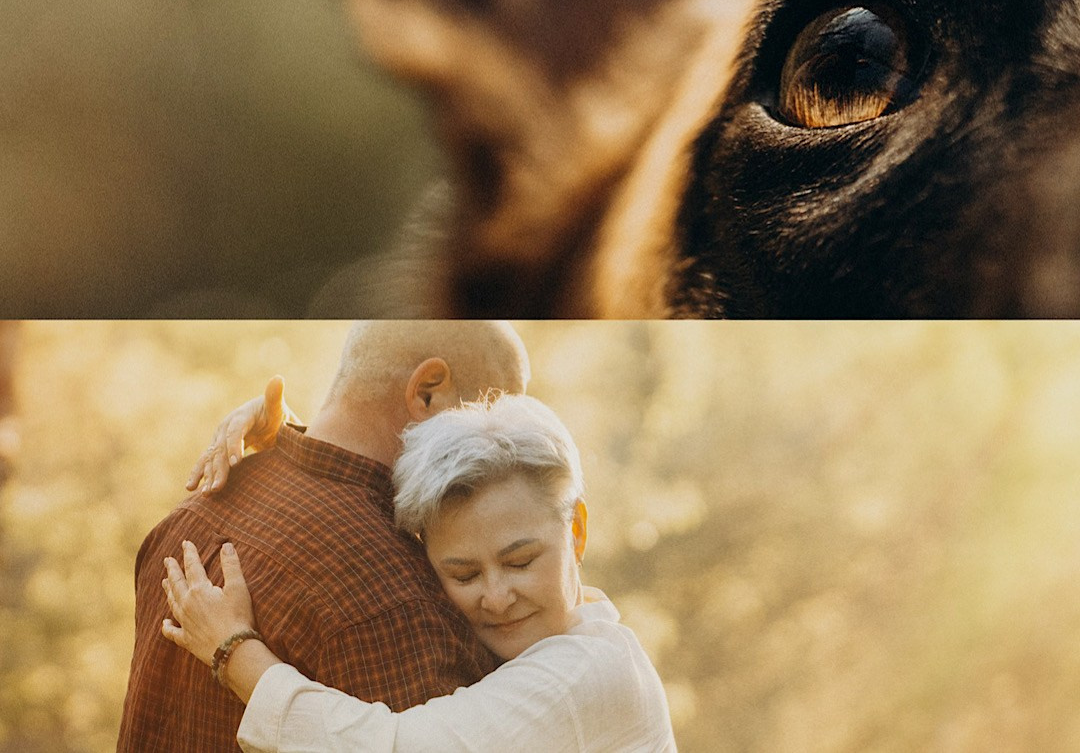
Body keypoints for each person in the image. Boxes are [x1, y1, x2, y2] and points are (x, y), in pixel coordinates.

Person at [163, 393, 677, 752]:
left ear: (578, 531)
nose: (496, 598)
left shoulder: (591, 675)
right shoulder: (556, 642)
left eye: (520, 562)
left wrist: (234, 650)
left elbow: (396, 747)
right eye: (463, 575)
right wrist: (298, 445)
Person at [116, 321, 530, 752]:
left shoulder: (187, 516)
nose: (492, 461)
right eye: (485, 422)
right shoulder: (396, 601)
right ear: (427, 392)